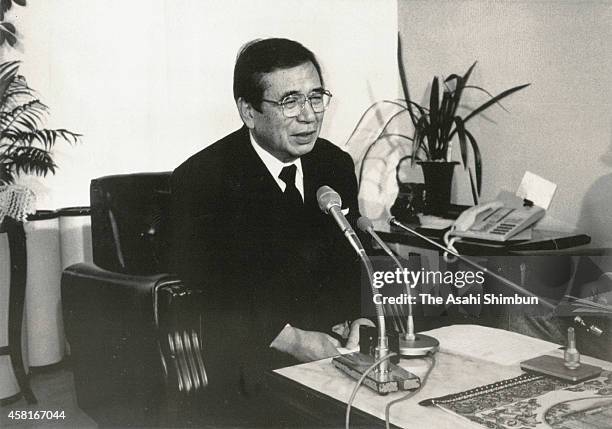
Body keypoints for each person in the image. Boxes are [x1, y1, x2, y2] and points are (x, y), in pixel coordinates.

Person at [169, 38, 363, 422]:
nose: (308, 116)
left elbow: (351, 261)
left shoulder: (334, 164)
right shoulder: (203, 179)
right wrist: (294, 340)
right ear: (249, 111)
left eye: (316, 97)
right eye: (290, 102)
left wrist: (361, 319)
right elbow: (212, 292)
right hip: (251, 359)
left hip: (333, 351)